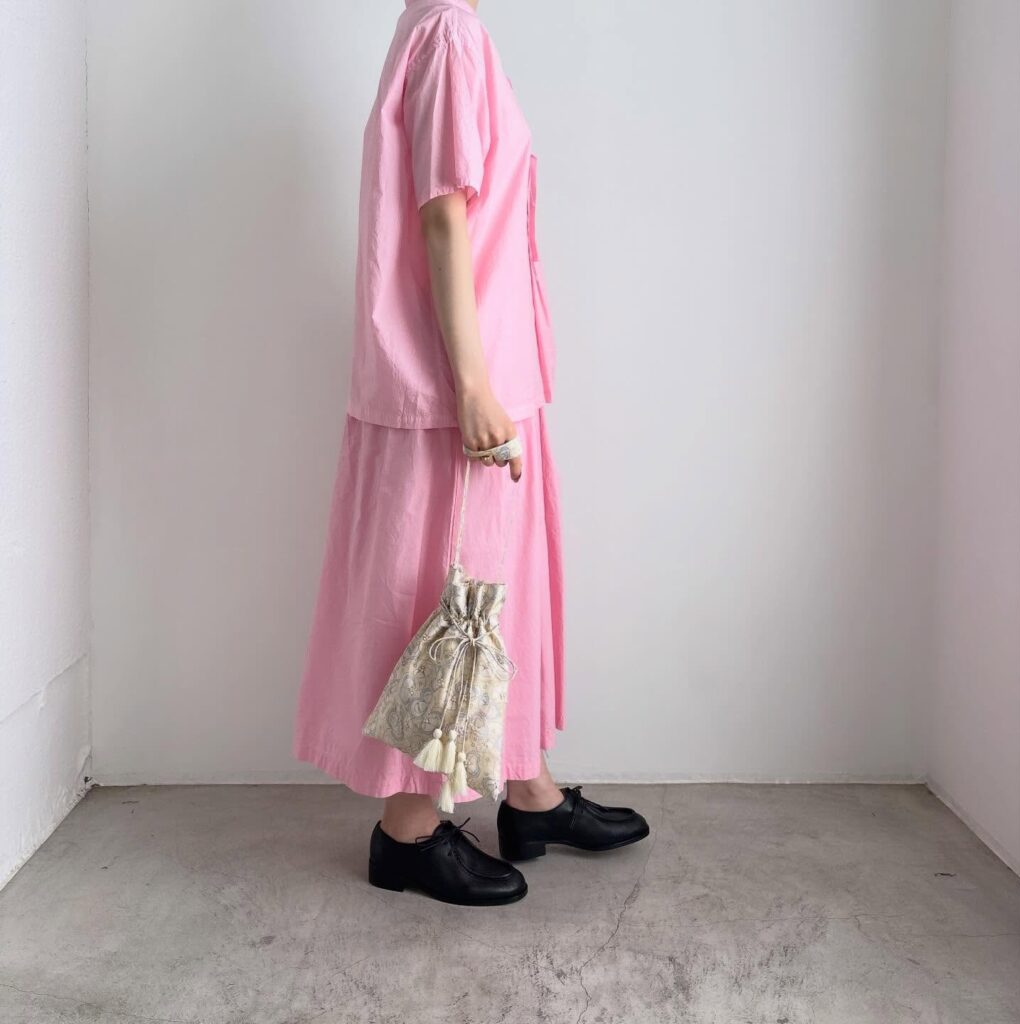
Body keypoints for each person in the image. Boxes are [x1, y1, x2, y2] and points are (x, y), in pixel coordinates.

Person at [294, 0, 648, 907]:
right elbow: (443, 216)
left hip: (472, 371)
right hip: (460, 381)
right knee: (454, 598)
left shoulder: (431, 24)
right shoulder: (450, 31)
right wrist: (473, 385)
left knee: (492, 591)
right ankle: (408, 832)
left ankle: (528, 794)